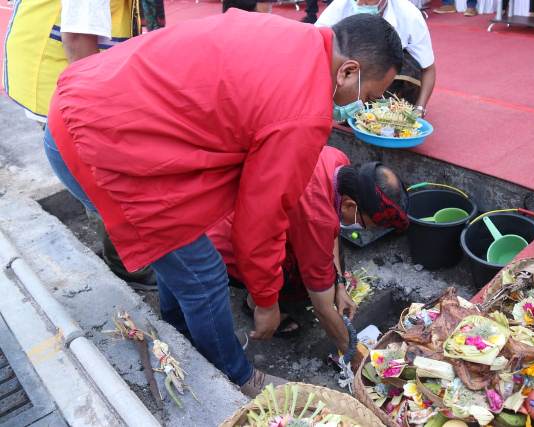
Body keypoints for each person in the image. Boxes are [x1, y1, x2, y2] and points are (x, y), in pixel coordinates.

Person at [42, 11, 403, 397]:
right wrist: (265, 301)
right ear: (348, 72)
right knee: (204, 276)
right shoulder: (304, 111)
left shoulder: (292, 36)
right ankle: (236, 376)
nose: (361, 107)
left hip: (88, 105)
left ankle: (178, 334)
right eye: (367, 97)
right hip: (98, 146)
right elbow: (259, 219)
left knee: (180, 257)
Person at [3, 0, 160, 291]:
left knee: (94, 176)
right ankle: (128, 265)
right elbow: (77, 40)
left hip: (59, 73)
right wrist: (93, 113)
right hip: (62, 78)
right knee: (102, 182)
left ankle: (122, 252)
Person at [208, 147, 409, 355]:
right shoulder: (316, 215)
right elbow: (322, 308)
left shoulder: (337, 162)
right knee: (307, 282)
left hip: (240, 211)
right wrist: (351, 353)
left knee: (325, 266)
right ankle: (254, 303)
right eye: (367, 225)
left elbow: (330, 234)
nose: (364, 229)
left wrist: (339, 284)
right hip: (226, 245)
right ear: (350, 205)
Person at [316, 0, 436, 114]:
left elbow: (428, 68)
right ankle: (347, 102)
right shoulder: (341, 5)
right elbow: (316, 42)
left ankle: (391, 107)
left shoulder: (409, 15)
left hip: (390, 72)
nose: (361, 4)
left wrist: (420, 108)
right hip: (353, 66)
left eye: (368, 1)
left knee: (410, 68)